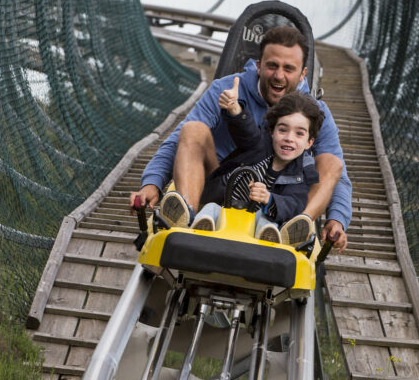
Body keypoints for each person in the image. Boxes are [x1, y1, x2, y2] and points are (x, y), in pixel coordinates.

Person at [130, 25, 350, 250]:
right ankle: (186, 214)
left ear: (303, 73)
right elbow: (179, 141)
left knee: (332, 161)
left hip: (276, 199)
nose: (279, 76)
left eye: (288, 68)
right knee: (192, 129)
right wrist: (153, 183)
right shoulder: (225, 89)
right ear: (258, 65)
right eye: (272, 66)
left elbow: (335, 173)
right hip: (220, 185)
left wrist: (337, 219)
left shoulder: (314, 112)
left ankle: (295, 228)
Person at [177, 86, 323, 246]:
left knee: (266, 219)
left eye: (299, 133)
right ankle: (197, 225)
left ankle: (269, 238)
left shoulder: (301, 173)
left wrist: (270, 199)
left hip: (253, 227)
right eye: (283, 130)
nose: (289, 138)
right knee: (210, 208)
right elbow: (246, 131)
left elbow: (295, 203)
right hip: (224, 208)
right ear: (272, 131)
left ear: (309, 142)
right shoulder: (259, 144)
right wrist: (235, 109)